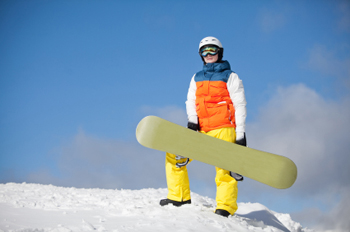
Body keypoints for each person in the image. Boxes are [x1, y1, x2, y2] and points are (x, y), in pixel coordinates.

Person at [160, 36, 247, 217]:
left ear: (219, 52)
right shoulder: (196, 77)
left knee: (224, 168)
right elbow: (191, 101)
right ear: (200, 55)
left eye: (212, 50)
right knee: (175, 154)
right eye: (204, 51)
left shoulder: (230, 76)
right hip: (202, 129)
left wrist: (240, 135)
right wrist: (192, 122)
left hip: (224, 127)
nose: (208, 54)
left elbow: (240, 105)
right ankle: (179, 197)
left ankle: (225, 207)